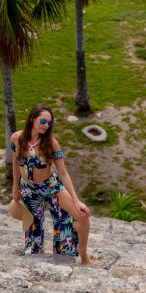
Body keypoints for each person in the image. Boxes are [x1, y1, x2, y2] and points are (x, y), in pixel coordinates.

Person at [10, 104, 91, 265]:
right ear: (32, 119)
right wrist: (15, 186)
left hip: (51, 186)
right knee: (34, 243)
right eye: (42, 121)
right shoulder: (16, 138)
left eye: (49, 123)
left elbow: (63, 173)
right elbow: (16, 162)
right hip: (29, 191)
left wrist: (76, 200)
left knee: (80, 217)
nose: (46, 125)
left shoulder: (52, 144)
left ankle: (83, 252)